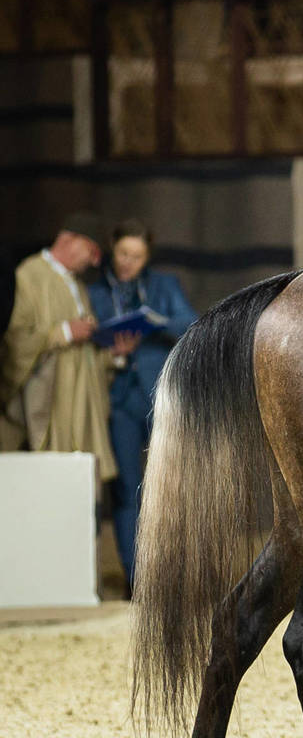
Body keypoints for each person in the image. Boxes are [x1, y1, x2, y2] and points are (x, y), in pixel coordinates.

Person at [87, 220, 196, 589]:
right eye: (122, 254)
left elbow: (191, 323)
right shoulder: (94, 291)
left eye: (136, 256)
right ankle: (137, 580)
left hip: (159, 395)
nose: (127, 262)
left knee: (171, 486)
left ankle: (175, 575)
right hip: (118, 396)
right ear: (111, 248)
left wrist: (154, 323)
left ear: (147, 257)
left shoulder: (163, 285)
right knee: (125, 489)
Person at [0, 212, 121, 483]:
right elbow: (15, 340)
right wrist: (64, 332)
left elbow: (87, 353)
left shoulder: (79, 286)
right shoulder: (29, 276)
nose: (95, 261)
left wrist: (113, 354)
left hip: (84, 405)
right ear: (69, 239)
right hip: (52, 402)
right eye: (92, 251)